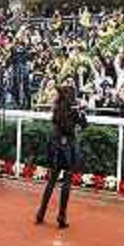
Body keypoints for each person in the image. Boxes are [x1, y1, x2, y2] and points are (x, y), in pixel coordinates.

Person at [36, 85, 87, 229]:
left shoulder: (58, 108)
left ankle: (41, 212)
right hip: (67, 147)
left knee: (52, 180)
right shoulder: (73, 110)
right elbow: (84, 125)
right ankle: (61, 216)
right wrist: (81, 111)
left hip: (55, 145)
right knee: (67, 181)